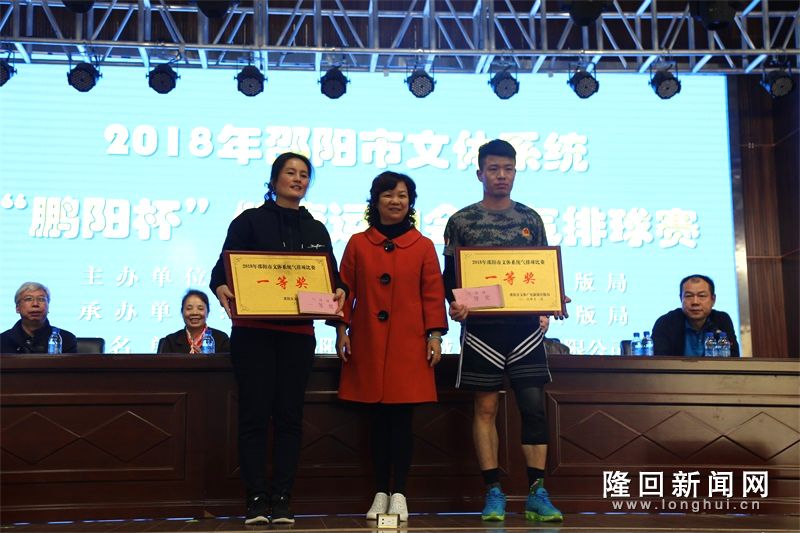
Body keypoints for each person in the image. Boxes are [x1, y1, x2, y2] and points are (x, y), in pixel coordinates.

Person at [209, 152, 347, 525]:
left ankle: (283, 497)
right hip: (253, 335)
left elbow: (333, 280)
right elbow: (220, 272)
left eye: (304, 174)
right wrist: (221, 288)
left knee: (289, 417)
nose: (298, 179)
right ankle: (255, 498)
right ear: (273, 180)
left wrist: (340, 293)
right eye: (290, 173)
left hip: (297, 337)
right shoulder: (248, 221)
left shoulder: (316, 229)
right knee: (254, 416)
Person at [443, 139, 566, 523]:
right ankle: (493, 491)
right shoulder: (461, 221)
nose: (501, 176)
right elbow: (450, 277)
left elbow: (541, 270)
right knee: (485, 408)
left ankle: (537, 492)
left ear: (515, 171)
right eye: (494, 169)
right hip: (482, 331)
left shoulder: (530, 219)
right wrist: (456, 303)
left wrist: (552, 298)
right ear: (479, 173)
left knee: (533, 408)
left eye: (508, 169)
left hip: (525, 330)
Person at [334, 172, 447, 522]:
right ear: (375, 200)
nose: (395, 201)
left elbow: (432, 294)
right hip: (367, 342)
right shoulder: (357, 243)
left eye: (402, 195)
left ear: (410, 203)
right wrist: (342, 331)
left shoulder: (423, 246)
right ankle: (380, 491)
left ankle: (400, 494)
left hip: (409, 346)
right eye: (388, 195)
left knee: (402, 422)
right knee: (376, 423)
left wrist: (434, 336)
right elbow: (344, 291)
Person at [651, 274, 740, 357]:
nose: (695, 302)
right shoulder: (666, 323)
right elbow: (660, 362)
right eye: (689, 296)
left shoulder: (722, 320)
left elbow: (733, 358)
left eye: (702, 296)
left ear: (713, 300)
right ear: (681, 298)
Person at [1, 282, 77, 354]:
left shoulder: (66, 339)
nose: (35, 304)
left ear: (48, 307)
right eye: (28, 299)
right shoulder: (3, 340)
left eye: (41, 299)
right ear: (17, 308)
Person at [157, 289, 230, 354]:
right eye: (189, 308)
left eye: (200, 308)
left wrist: (205, 360)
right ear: (182, 312)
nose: (195, 313)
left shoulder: (221, 339)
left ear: (208, 312)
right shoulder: (170, 341)